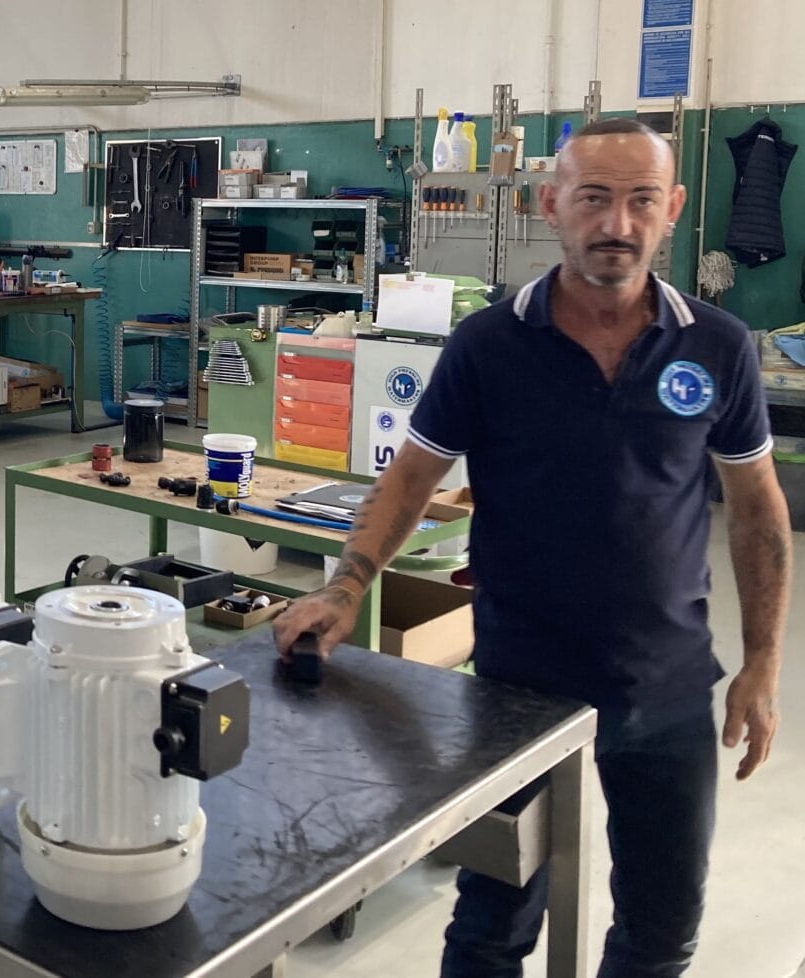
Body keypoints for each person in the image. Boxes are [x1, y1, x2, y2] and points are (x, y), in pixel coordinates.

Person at [273, 118, 791, 977]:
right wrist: (345, 586)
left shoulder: (717, 346)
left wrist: (763, 663)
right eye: (593, 198)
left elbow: (757, 511)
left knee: (660, 933)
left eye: (640, 200)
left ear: (671, 208)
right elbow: (411, 476)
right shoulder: (489, 344)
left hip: (665, 687)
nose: (616, 224)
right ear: (550, 204)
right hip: (516, 689)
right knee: (491, 926)